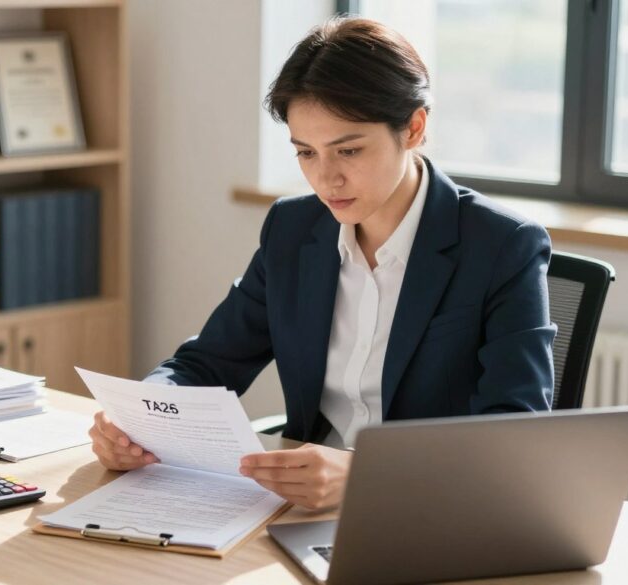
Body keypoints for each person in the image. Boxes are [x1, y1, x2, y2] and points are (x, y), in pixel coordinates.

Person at [89, 16, 556, 510]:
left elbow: (514, 431)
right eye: (305, 153)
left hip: (431, 509)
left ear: (414, 128)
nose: (325, 178)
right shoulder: (293, 230)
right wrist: (140, 419)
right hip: (301, 509)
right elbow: (205, 363)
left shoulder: (503, 245)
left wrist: (363, 475)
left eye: (348, 150)